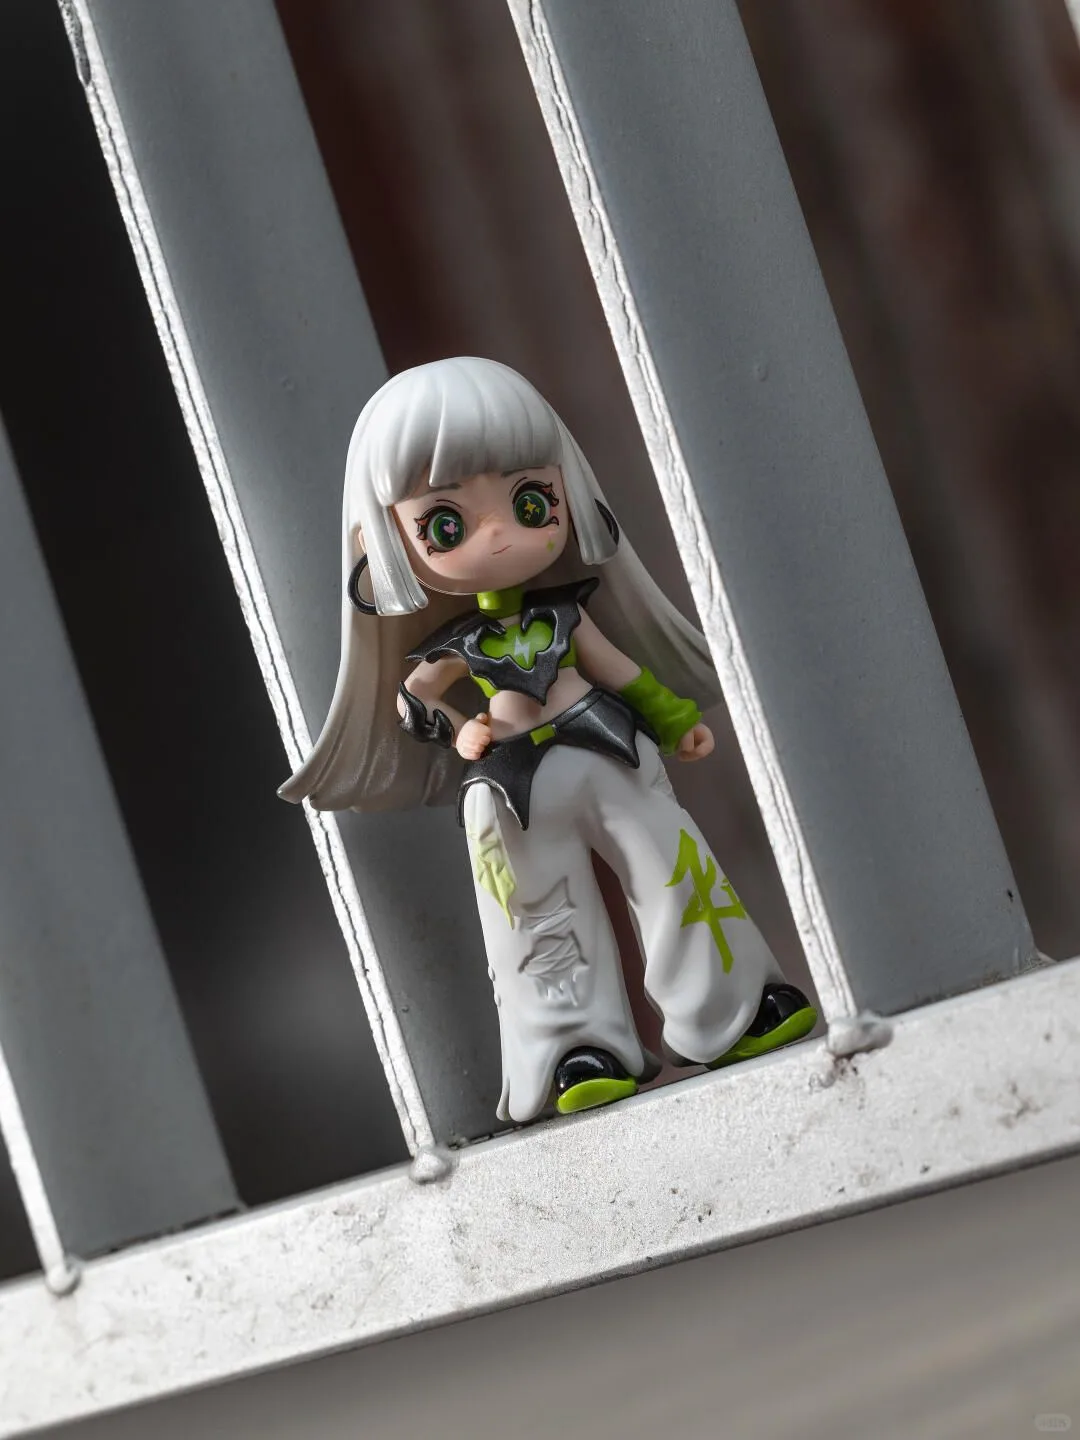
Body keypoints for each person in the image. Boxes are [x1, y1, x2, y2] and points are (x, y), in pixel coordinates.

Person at [280, 356, 815, 1122]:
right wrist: (462, 730)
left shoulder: (568, 612)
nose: (498, 534)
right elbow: (413, 698)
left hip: (606, 745)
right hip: (511, 783)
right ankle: (575, 1050)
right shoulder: (455, 643)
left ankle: (733, 1008)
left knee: (675, 871)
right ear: (387, 539)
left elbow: (621, 670)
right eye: (447, 523)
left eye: (530, 500)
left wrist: (674, 721)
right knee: (535, 917)